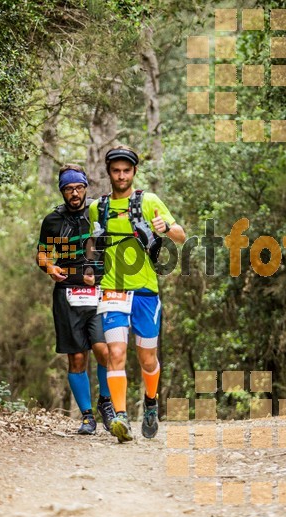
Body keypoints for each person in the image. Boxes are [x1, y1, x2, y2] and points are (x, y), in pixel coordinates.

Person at [88, 146, 186, 443]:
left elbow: (181, 236)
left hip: (145, 291)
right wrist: (91, 268)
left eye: (126, 171)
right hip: (113, 290)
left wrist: (166, 227)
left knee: (147, 359)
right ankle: (119, 417)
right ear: (109, 173)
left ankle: (151, 403)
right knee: (116, 353)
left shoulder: (149, 201)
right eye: (116, 171)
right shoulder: (98, 208)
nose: (121, 175)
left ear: (134, 172)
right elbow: (93, 245)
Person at [37, 164, 115, 434]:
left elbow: (116, 244)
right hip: (67, 293)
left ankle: (107, 403)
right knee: (77, 358)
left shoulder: (99, 212)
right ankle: (87, 416)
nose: (74, 193)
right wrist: (50, 267)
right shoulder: (52, 221)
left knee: (104, 350)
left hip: (99, 291)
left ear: (85, 188)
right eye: (69, 189)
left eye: (79, 187)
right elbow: (43, 254)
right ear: (62, 191)